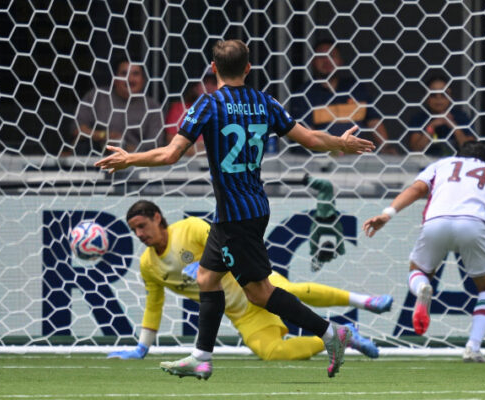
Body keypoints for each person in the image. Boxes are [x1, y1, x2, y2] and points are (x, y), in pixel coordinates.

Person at [95, 39, 375, 380]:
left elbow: (170, 154)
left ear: (214, 68)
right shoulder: (265, 102)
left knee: (260, 293)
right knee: (206, 277)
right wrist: (341, 142)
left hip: (237, 216)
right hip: (246, 208)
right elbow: (312, 139)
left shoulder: (208, 104)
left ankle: (332, 334)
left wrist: (130, 159)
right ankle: (201, 357)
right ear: (248, 68)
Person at [107, 200, 393, 362]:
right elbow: (154, 305)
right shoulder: (148, 265)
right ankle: (345, 337)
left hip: (251, 283)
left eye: (142, 226)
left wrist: (206, 266)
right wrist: (142, 347)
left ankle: (365, 301)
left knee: (290, 290)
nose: (140, 234)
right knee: (270, 352)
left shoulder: (190, 228)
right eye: (134, 230)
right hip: (242, 313)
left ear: (158, 218)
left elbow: (226, 245)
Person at [362, 141, 485, 362]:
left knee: (417, 271)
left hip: (436, 221)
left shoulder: (443, 164)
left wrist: (387, 214)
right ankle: (473, 347)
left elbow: (416, 189)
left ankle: (422, 287)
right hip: (474, 224)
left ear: (458, 155)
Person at [289, 39, 395, 155]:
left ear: (340, 61)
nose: (327, 60)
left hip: (357, 156)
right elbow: (306, 135)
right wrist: (334, 149)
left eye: (332, 56)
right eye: (321, 56)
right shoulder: (304, 94)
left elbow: (373, 121)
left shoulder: (355, 88)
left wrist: (386, 147)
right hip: (320, 159)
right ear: (312, 61)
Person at [73, 58, 167, 154]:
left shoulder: (152, 107)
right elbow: (77, 129)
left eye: (135, 74)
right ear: (115, 79)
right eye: (124, 74)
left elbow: (156, 145)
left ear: (143, 80)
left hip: (137, 160)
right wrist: (103, 135)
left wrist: (127, 150)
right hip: (96, 157)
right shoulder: (98, 96)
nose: (130, 79)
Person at [407, 75, 476, 157]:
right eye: (433, 94)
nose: (438, 98)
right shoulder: (418, 119)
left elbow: (471, 150)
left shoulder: (461, 117)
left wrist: (454, 126)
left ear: (450, 97)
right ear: (426, 97)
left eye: (443, 94)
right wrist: (431, 126)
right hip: (427, 163)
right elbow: (415, 150)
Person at [165, 74, 218, 156]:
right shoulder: (179, 109)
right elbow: (172, 143)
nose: (209, 87)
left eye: (214, 83)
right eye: (205, 82)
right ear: (195, 86)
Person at [302, 173, 345, 272]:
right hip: (325, 216)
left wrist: (340, 251)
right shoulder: (319, 231)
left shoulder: (334, 229)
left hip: (325, 214)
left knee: (326, 186)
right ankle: (308, 181)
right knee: (327, 188)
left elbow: (340, 245)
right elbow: (313, 242)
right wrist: (314, 253)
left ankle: (308, 180)